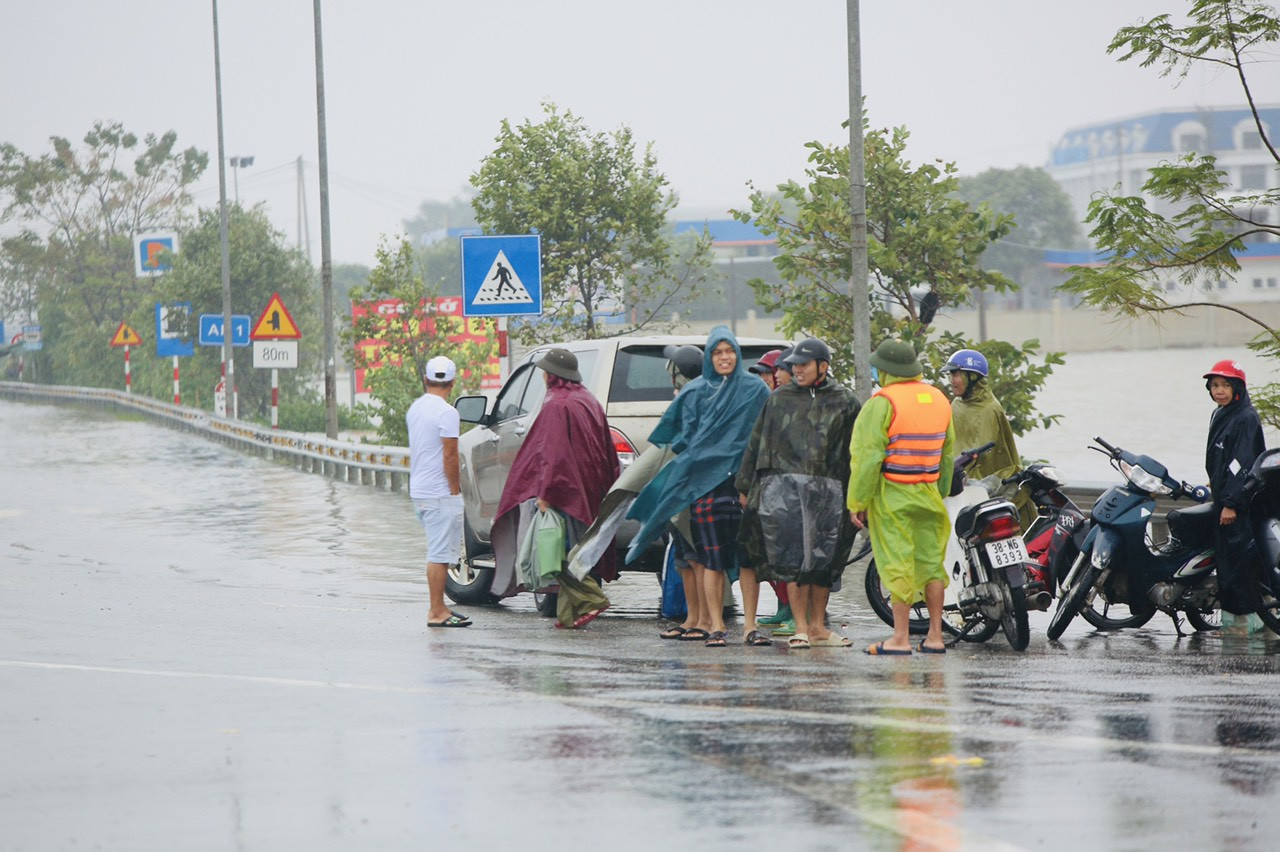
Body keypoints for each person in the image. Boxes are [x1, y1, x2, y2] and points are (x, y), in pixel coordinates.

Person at [627, 326, 771, 647]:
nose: (724, 357)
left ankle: (750, 626)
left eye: (729, 351)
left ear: (736, 353)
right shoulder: (694, 392)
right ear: (709, 356)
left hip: (745, 487)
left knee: (748, 559)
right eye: (717, 352)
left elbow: (765, 438)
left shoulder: (756, 390)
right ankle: (716, 625)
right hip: (705, 487)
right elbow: (677, 439)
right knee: (709, 559)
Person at [737, 338, 861, 649]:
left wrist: (861, 495)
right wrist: (746, 485)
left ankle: (818, 626)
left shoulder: (845, 401)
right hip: (786, 493)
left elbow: (858, 451)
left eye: (803, 365)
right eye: (794, 365)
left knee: (824, 562)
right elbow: (758, 441)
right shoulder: (779, 400)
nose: (796, 370)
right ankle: (801, 626)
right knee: (792, 559)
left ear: (823, 366)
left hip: (831, 493)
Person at [492, 348, 620, 629]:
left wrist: (547, 493)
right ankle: (567, 614)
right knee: (574, 548)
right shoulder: (588, 399)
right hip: (590, 487)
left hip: (565, 489)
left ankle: (591, 598)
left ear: (551, 375)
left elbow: (552, 453)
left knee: (555, 551)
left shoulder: (555, 404)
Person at [848, 339, 955, 655]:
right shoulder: (939, 399)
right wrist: (941, 491)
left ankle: (900, 638)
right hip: (929, 493)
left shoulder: (882, 402)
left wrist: (857, 501)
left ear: (885, 370)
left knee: (897, 564)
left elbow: (867, 458)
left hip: (893, 495)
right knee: (932, 564)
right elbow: (947, 454)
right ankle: (935, 636)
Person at [406, 355, 470, 628]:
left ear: (426, 379)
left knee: (438, 551)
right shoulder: (447, 413)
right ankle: (435, 611)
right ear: (453, 382)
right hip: (439, 492)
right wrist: (454, 491)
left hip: (419, 490)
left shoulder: (415, 408)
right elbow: (451, 456)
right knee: (439, 553)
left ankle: (440, 606)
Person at [1203, 359, 1267, 626]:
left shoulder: (1245, 417)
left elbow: (1241, 463)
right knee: (1226, 563)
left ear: (1237, 387)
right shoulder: (1222, 413)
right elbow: (1222, 459)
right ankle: (1233, 621)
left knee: (1240, 563)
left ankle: (1250, 622)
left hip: (1239, 505)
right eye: (1215, 385)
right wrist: (1214, 484)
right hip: (1225, 499)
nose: (1219, 391)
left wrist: (1231, 502)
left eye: (1225, 385)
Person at [943, 348, 1033, 530]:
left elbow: (994, 457)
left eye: (956, 375)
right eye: (950, 375)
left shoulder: (992, 409)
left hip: (987, 487)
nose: (951, 381)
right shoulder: (955, 405)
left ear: (972, 377)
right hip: (959, 484)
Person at [749, 347, 796, 631]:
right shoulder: (766, 402)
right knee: (767, 553)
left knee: (788, 554)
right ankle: (782, 607)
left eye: (769, 372)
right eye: (764, 373)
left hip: (787, 487)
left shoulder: (787, 402)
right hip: (767, 485)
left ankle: (794, 612)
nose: (766, 377)